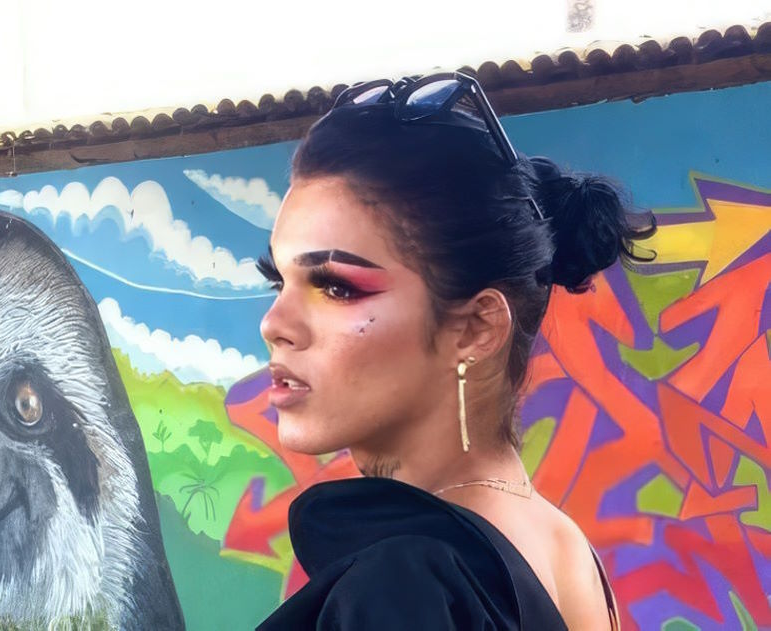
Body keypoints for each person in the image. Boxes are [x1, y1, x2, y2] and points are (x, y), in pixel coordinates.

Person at [255, 71, 653, 630]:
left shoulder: (403, 580)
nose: (274, 324)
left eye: (336, 287)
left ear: (474, 328)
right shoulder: (562, 542)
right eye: (280, 281)